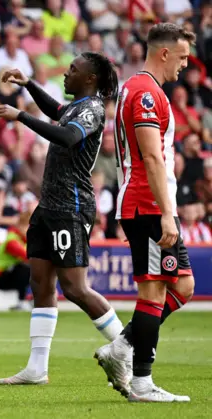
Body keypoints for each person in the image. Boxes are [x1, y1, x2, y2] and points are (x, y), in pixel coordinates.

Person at [0, 53, 125, 386]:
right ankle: (37, 368)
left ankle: (129, 349)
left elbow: (66, 137)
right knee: (40, 284)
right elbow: (56, 112)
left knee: (75, 288)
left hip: (71, 208)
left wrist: (20, 115)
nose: (66, 74)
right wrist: (28, 85)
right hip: (48, 207)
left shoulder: (93, 109)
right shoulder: (76, 107)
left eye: (74, 70)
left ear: (91, 79)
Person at [95, 23, 196, 403]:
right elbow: (152, 156)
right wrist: (167, 213)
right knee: (153, 290)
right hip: (149, 203)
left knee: (182, 286)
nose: (185, 65)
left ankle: (121, 347)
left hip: (145, 202)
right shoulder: (146, 94)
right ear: (164, 52)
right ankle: (141, 382)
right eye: (182, 57)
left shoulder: (138, 89)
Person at [0, 209, 31, 311]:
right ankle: (21, 301)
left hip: (12, 274)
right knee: (26, 269)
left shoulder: (27, 241)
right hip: (0, 276)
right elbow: (25, 255)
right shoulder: (12, 239)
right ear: (21, 226)